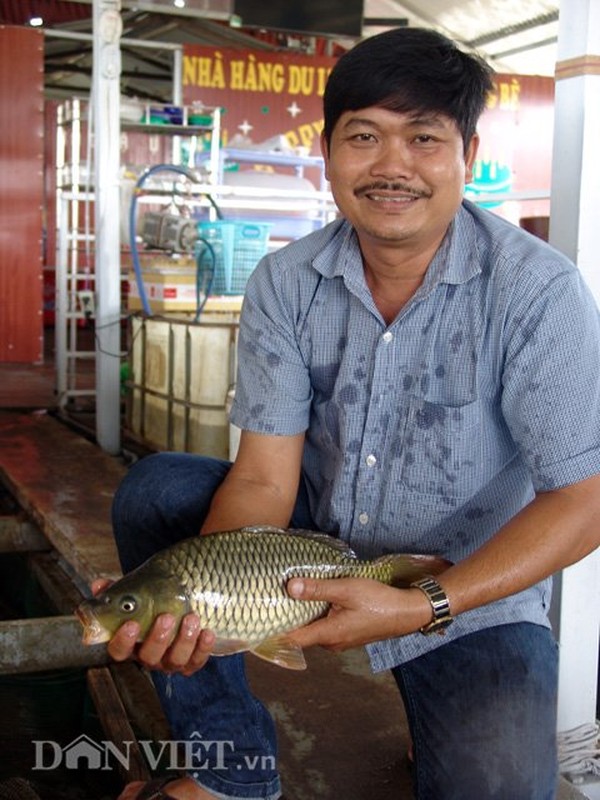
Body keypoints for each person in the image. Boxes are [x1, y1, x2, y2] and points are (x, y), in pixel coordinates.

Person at [108, 26, 600, 800]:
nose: (392, 166)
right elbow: (266, 475)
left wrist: (423, 602)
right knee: (160, 489)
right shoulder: (286, 280)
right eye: (363, 136)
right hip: (308, 549)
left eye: (424, 138)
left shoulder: (538, 292)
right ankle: (230, 769)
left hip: (463, 581)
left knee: (498, 785)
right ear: (330, 153)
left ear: (466, 153)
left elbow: (583, 498)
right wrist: (201, 613)